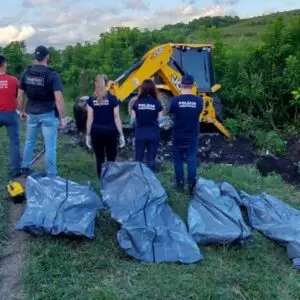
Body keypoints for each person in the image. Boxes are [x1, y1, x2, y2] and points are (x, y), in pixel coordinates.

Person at [17, 45, 65, 177]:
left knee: (29, 141)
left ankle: (25, 167)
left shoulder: (26, 73)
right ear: (47, 57)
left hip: (31, 113)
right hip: (48, 113)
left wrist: (21, 111)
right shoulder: (52, 74)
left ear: (35, 57)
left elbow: (20, 95)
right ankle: (51, 174)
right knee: (50, 146)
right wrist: (62, 118)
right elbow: (59, 99)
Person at [169, 74, 203, 194]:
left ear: (181, 85)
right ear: (193, 85)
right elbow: (198, 113)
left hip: (178, 134)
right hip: (192, 135)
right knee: (191, 158)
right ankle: (191, 184)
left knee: (178, 159)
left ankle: (179, 183)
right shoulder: (199, 101)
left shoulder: (175, 101)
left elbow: (170, 112)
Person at [85, 74, 125, 178]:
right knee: (111, 158)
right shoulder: (113, 99)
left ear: (95, 84)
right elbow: (117, 118)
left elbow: (90, 119)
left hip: (96, 132)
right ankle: (110, 181)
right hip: (110, 132)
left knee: (100, 159)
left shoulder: (90, 100)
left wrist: (88, 135)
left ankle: (101, 181)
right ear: (107, 84)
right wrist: (121, 134)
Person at [131, 79, 163, 171]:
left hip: (140, 134)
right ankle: (150, 181)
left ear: (142, 89)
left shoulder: (136, 103)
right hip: (153, 134)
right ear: (153, 89)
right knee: (151, 160)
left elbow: (132, 120)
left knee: (138, 160)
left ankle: (138, 181)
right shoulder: (157, 103)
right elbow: (160, 120)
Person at [0, 55, 21, 178]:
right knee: (14, 142)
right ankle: (16, 170)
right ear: (4, 64)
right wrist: (21, 110)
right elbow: (18, 97)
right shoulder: (13, 80)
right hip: (10, 115)